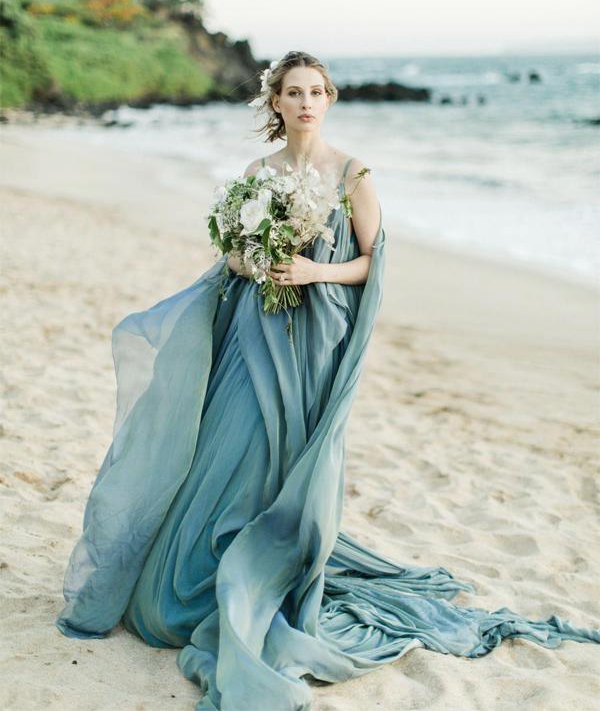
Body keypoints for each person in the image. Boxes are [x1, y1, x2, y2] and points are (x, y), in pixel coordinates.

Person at [56, 50, 599, 710]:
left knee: (286, 457)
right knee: (233, 446)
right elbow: (232, 256)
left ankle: (271, 564)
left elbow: (373, 262)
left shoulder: (352, 174)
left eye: (317, 91)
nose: (307, 102)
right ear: (276, 102)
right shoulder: (258, 173)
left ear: (329, 99)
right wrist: (257, 259)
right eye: (294, 92)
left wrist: (314, 271)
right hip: (254, 331)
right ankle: (212, 561)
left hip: (316, 337)